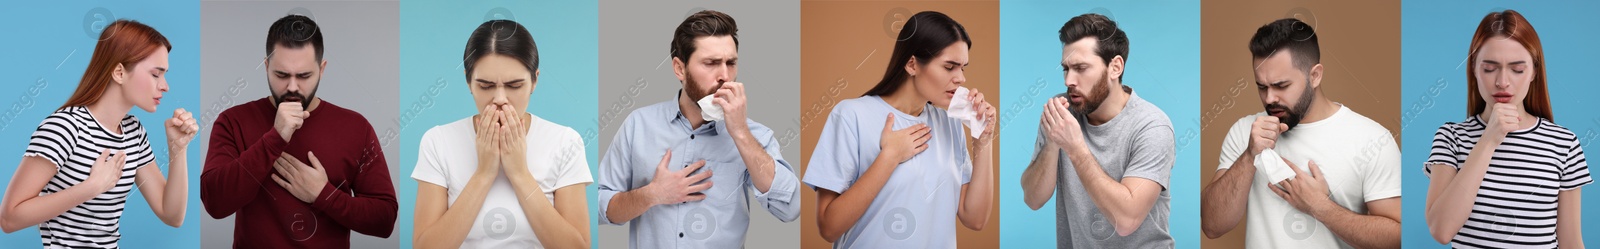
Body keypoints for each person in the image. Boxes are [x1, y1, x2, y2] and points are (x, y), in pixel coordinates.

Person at [596, 10, 799, 248]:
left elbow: (790, 207)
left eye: (731, 63)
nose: (724, 76)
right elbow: (598, 207)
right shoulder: (638, 125)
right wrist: (651, 194)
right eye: (711, 63)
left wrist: (741, 133)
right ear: (680, 69)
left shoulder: (755, 136)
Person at [1199, 18, 1402, 248]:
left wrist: (1321, 207)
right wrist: (1249, 156)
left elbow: (1397, 239)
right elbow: (1212, 226)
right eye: (1261, 86)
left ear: (1315, 75)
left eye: (1281, 85)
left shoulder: (1372, 138)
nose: (1269, 98)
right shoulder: (1246, 131)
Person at [200, 14, 396, 248]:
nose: (292, 86)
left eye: (304, 76)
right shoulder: (233, 121)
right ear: (266, 67)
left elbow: (384, 220)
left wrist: (324, 195)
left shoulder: (356, 127)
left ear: (322, 69)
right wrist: (275, 138)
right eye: (281, 75)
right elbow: (215, 203)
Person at [804, 10, 996, 248]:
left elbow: (975, 218)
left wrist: (983, 139)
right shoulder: (851, 116)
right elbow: (828, 228)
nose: (961, 79)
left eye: (963, 68)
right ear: (912, 64)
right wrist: (889, 157)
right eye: (949, 67)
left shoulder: (950, 123)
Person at [0, 19, 198, 248]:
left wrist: (178, 149)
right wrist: (91, 188)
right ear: (119, 72)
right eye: (156, 74)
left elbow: (171, 215)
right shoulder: (65, 127)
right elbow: (9, 218)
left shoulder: (134, 132)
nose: (165, 86)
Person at [411, 20, 593, 249]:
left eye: (514, 85)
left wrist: (520, 174)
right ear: (469, 81)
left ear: (534, 80)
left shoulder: (566, 142)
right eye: (486, 86)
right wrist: (484, 173)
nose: (499, 98)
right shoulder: (437, 141)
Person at [1423, 9, 1587, 248]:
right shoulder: (1451, 137)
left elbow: (1571, 242)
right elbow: (1441, 230)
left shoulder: (1564, 143)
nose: (1502, 82)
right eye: (1489, 68)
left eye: (1517, 69)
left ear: (1534, 73)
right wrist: (1488, 140)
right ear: (1474, 70)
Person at [1019, 13, 1176, 248]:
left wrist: (1075, 148)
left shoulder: (1152, 126)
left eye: (1081, 68)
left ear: (1115, 67)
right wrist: (1053, 142)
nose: (1068, 80)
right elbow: (1032, 198)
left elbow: (1126, 220)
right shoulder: (1062, 112)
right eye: (1066, 69)